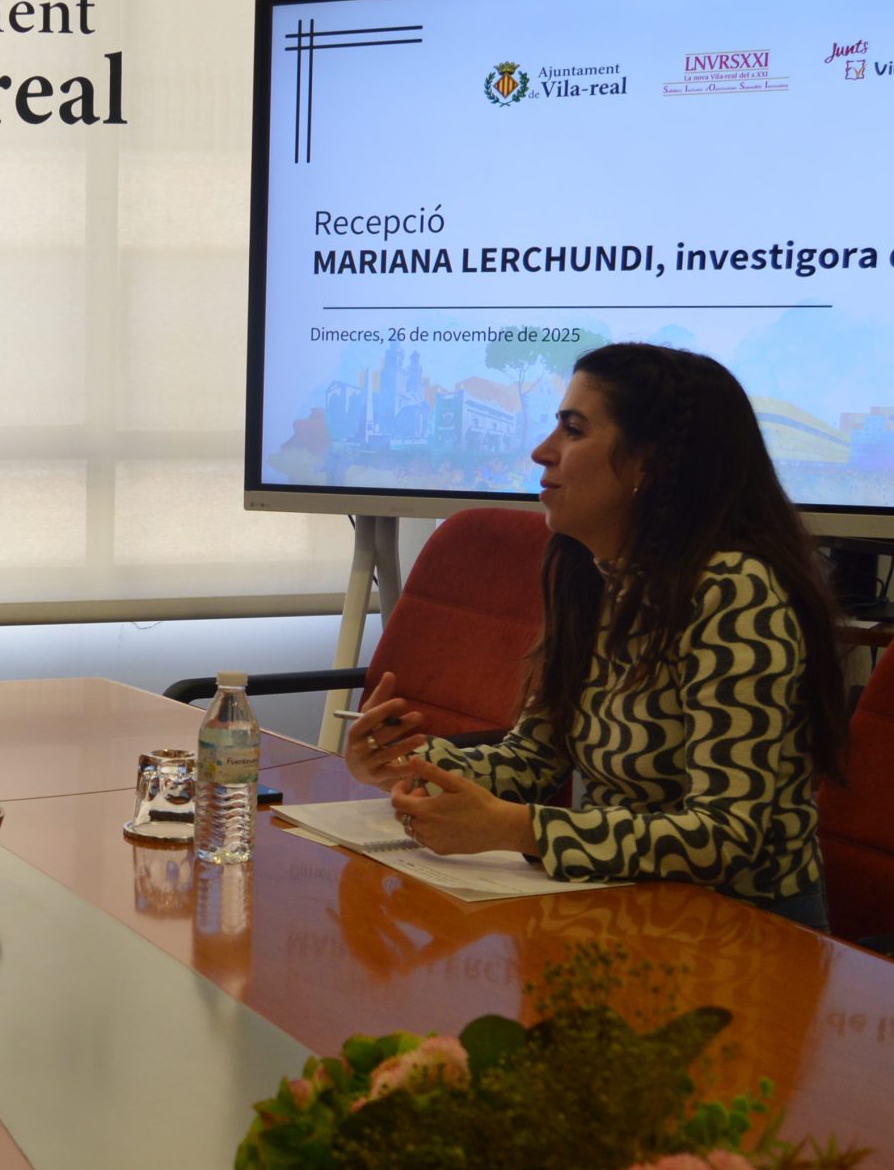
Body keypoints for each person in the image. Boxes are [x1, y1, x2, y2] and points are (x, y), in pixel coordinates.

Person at [347, 342, 848, 928]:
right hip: (618, 903)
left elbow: (726, 837)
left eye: (574, 430)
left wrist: (518, 828)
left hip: (741, 926)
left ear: (649, 464)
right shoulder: (596, 572)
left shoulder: (734, 589)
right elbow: (535, 758)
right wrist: (404, 763)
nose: (542, 451)